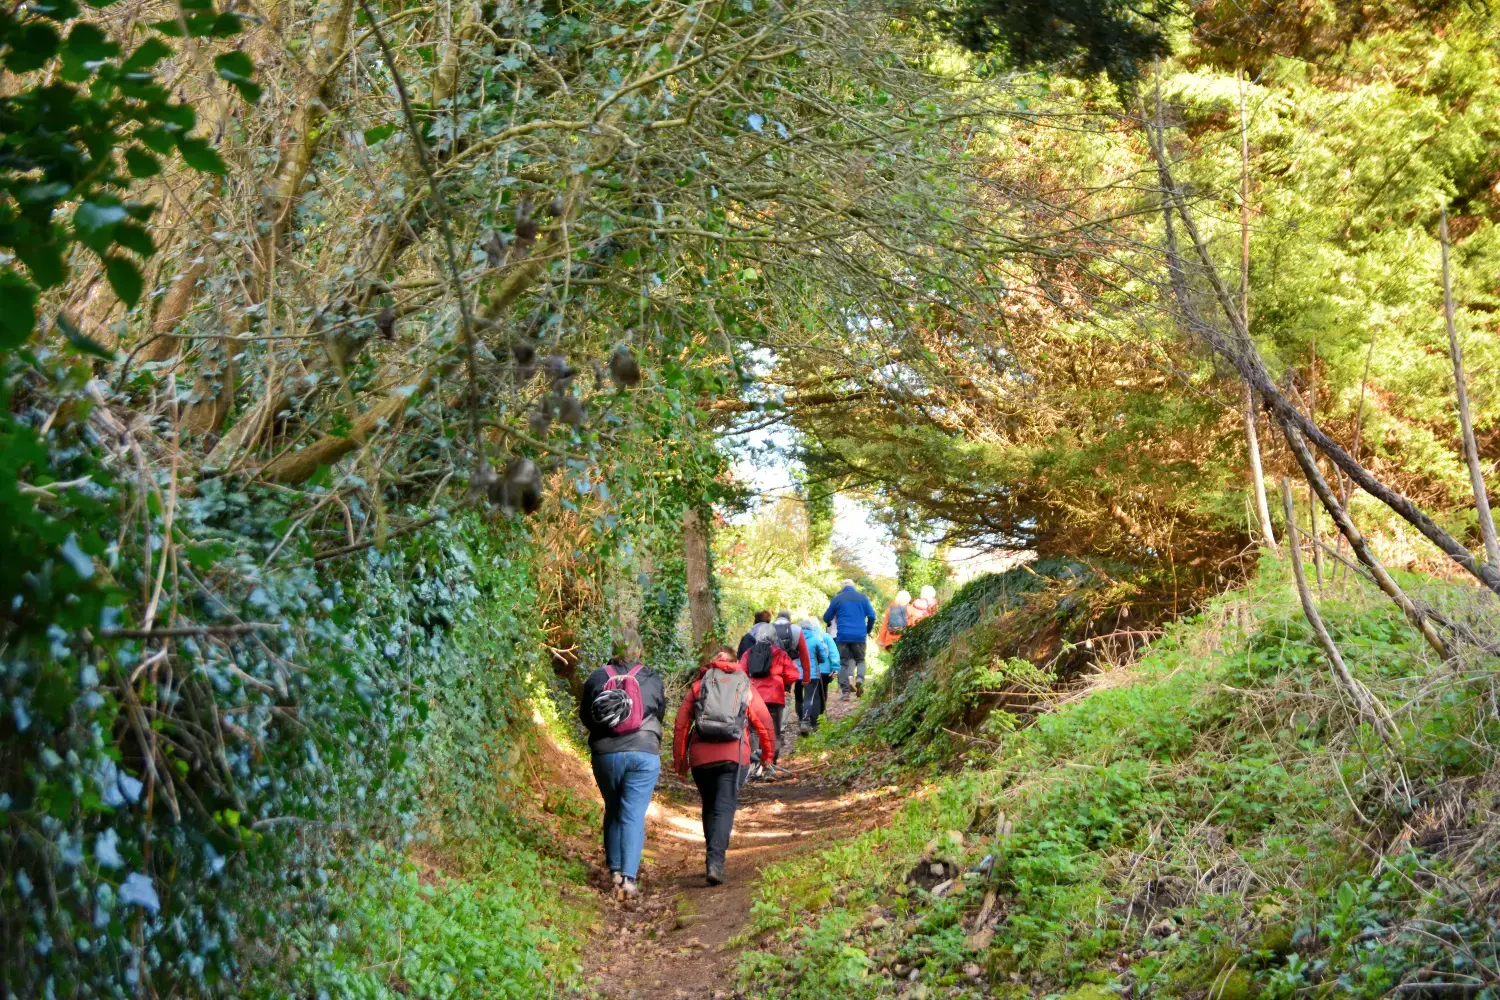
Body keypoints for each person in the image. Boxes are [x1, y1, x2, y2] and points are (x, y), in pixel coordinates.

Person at [672, 647, 777, 886]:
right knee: (724, 807)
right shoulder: (744, 685)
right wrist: (767, 757)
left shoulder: (700, 685)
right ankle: (715, 863)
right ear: (737, 662)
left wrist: (680, 762)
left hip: (701, 757)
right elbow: (764, 722)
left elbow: (680, 725)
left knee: (710, 806)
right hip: (734, 755)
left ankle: (712, 858)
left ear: (712, 662)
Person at [578, 631, 666, 900]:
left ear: (613, 649)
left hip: (606, 755)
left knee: (614, 808)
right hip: (643, 753)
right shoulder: (651, 677)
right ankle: (629, 878)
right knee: (632, 814)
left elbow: (586, 716)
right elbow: (660, 711)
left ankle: (614, 870)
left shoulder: (597, 677)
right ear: (638, 652)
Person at [739, 618, 800, 772]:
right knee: (773, 731)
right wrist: (783, 682)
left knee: (754, 731)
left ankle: (754, 764)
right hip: (775, 697)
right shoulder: (780, 653)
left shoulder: (749, 653)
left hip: (754, 698)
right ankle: (770, 765)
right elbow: (793, 674)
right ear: (774, 637)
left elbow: (741, 674)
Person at [823, 579, 876, 700]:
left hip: (843, 636)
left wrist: (829, 622)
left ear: (842, 588)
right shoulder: (863, 598)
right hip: (859, 636)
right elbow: (872, 616)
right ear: (854, 587)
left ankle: (845, 692)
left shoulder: (837, 599)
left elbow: (826, 617)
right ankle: (860, 679)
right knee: (860, 660)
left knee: (843, 663)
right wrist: (868, 629)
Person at [772, 609, 812, 732]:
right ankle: (781, 727)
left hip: (770, 668)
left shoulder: (768, 628)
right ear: (789, 619)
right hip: (787, 669)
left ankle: (770, 725)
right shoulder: (796, 629)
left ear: (777, 618)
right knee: (786, 694)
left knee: (770, 694)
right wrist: (806, 676)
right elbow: (804, 654)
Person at [796, 615, 837, 732]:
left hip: (797, 674)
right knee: (810, 698)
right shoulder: (815, 639)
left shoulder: (795, 640)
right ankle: (808, 722)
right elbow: (823, 658)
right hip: (812, 674)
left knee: (799, 697)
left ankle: (800, 719)